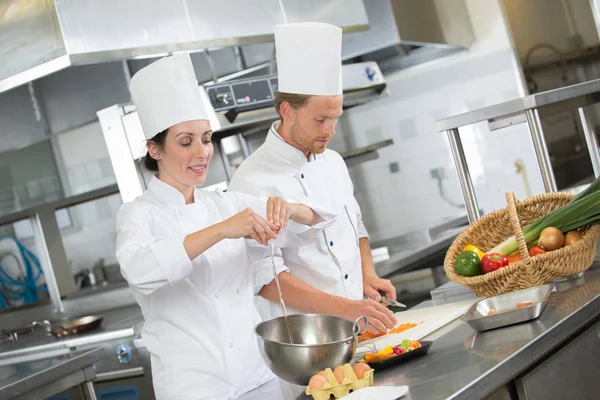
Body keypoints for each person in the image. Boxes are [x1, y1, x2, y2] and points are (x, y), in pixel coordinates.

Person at [115, 53, 334, 400]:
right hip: (195, 388)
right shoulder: (139, 214)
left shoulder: (225, 203)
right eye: (186, 142)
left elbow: (318, 219)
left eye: (206, 139)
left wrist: (288, 209)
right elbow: (140, 271)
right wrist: (222, 230)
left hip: (258, 378)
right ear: (155, 149)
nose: (202, 151)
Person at [228, 22, 398, 335]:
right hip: (309, 338)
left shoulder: (333, 162)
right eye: (320, 119)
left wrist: (367, 276)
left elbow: (354, 226)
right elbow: (264, 276)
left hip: (360, 325)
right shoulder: (251, 180)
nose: (330, 130)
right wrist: (346, 308)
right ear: (286, 110)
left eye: (335, 118)